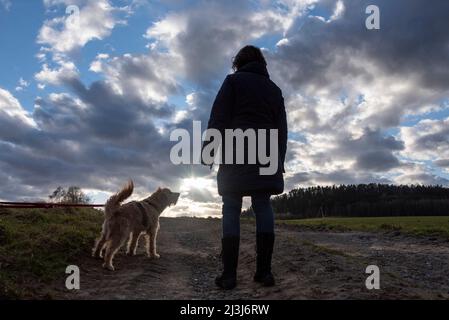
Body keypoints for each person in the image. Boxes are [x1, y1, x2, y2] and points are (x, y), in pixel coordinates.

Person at [203, 45, 287, 289]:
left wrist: (209, 149)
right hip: (266, 153)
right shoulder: (274, 90)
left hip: (235, 151)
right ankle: (265, 273)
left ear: (238, 63)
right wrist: (278, 161)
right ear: (261, 63)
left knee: (231, 206)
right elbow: (282, 130)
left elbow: (218, 118)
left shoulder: (232, 82)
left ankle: (229, 275)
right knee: (262, 204)